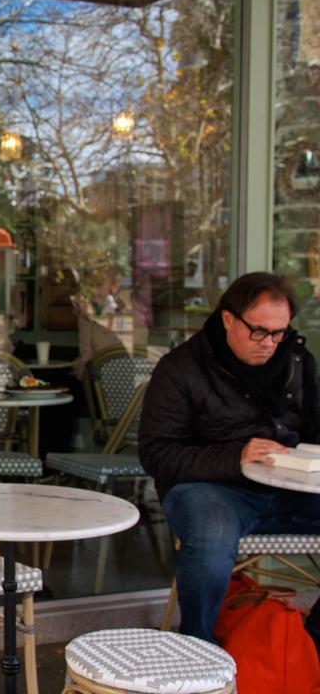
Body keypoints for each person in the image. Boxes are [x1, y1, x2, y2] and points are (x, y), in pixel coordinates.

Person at [139, 271, 320, 644]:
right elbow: (157, 454)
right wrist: (235, 455)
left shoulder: (297, 361)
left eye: (279, 333)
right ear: (227, 319)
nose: (269, 344)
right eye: (259, 331)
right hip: (211, 488)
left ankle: (312, 643)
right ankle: (199, 651)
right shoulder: (180, 368)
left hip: (289, 487)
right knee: (211, 537)